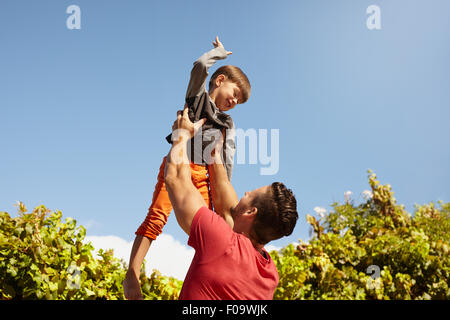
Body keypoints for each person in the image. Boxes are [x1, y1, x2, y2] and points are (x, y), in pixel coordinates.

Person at [123, 37, 251, 300]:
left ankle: (206, 287)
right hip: (178, 166)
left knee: (209, 231)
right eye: (235, 94)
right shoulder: (197, 98)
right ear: (220, 81)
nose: (234, 102)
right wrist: (216, 53)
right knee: (157, 216)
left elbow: (228, 157)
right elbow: (199, 66)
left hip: (204, 176)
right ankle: (132, 275)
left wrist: (224, 194)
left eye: (239, 102)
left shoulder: (227, 123)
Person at [164, 107, 298, 300]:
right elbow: (227, 205)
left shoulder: (221, 243)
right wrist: (215, 152)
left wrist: (181, 135)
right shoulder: (269, 273)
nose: (245, 192)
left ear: (251, 212)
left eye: (250, 194)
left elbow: (176, 179)